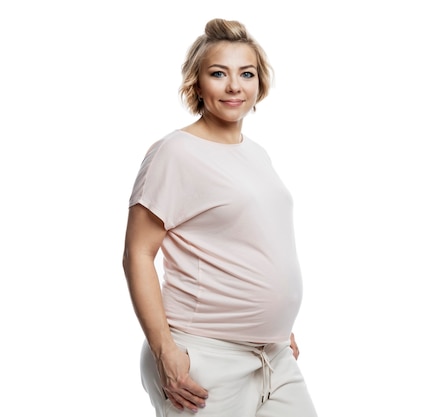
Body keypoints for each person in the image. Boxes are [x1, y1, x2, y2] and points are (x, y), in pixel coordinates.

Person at [122, 18, 317, 417]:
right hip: (205, 356)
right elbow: (137, 255)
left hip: (272, 356)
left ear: (259, 83)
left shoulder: (256, 153)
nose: (234, 86)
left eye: (246, 73)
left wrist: (276, 326)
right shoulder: (175, 153)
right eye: (218, 74)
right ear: (197, 83)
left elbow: (252, 241)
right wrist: (164, 351)